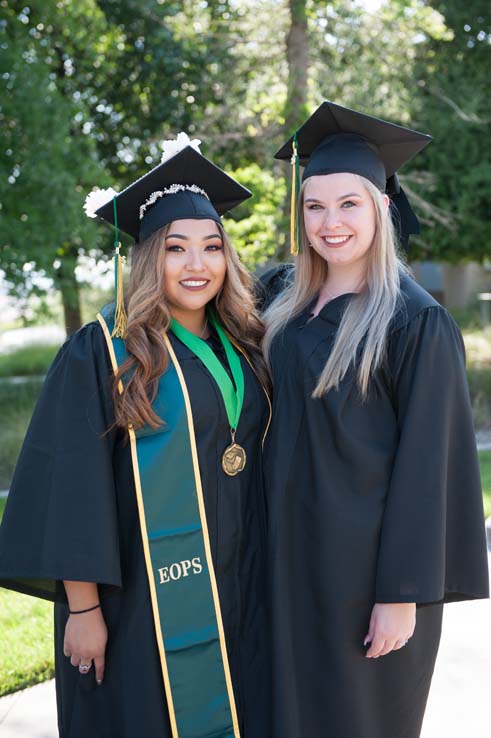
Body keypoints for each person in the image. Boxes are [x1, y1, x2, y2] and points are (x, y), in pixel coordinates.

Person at [0, 134, 271, 738]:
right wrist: (85, 609)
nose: (196, 265)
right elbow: (72, 483)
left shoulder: (247, 347)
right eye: (177, 249)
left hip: (239, 583)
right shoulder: (105, 353)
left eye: (211, 247)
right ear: (149, 257)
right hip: (138, 603)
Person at [262, 101, 489, 738]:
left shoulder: (414, 321)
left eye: (348, 204)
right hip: (285, 560)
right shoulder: (281, 301)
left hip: (364, 580)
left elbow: (429, 469)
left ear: (382, 208)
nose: (329, 223)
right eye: (314, 206)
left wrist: (403, 595)